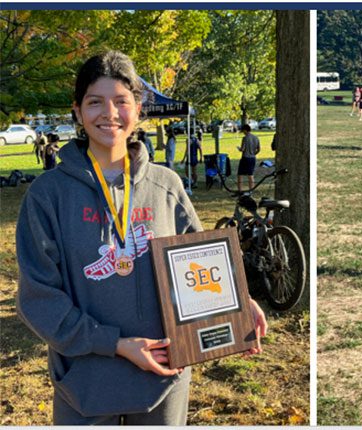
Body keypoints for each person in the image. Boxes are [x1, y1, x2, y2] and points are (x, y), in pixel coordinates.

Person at [16, 50, 265, 426]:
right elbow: (39, 298)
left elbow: (201, 265)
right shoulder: (47, 195)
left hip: (163, 378)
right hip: (84, 381)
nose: (109, 114)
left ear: (139, 108)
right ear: (78, 111)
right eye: (95, 102)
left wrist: (237, 301)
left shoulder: (167, 186)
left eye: (121, 101)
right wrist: (114, 344)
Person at [237, 123, 260, 190]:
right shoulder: (256, 138)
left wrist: (239, 148)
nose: (243, 132)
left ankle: (240, 190)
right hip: (252, 158)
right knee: (250, 175)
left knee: (240, 174)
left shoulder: (245, 138)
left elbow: (242, 149)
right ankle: (251, 190)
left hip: (245, 158)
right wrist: (253, 153)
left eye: (243, 131)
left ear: (245, 130)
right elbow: (259, 149)